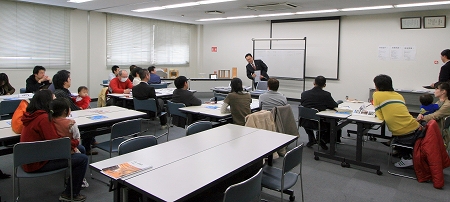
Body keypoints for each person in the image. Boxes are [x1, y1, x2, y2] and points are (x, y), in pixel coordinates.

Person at [20, 90, 88, 201]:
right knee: (82, 159)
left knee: (81, 149)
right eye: (53, 99)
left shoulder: (33, 114)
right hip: (36, 162)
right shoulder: (43, 119)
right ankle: (70, 194)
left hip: (30, 157)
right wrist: (75, 141)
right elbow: (57, 144)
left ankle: (74, 182)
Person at [373, 74, 421, 168]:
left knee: (397, 132)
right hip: (416, 128)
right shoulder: (398, 95)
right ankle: (401, 151)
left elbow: (380, 117)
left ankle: (406, 159)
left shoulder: (377, 94)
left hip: (403, 134)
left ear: (377, 86)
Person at [300, 76, 340, 150]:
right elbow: (334, 105)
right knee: (334, 123)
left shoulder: (304, 94)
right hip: (320, 123)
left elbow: (303, 105)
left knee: (308, 114)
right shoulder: (326, 95)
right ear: (324, 85)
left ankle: (311, 138)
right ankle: (322, 139)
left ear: (314, 83)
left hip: (305, 121)